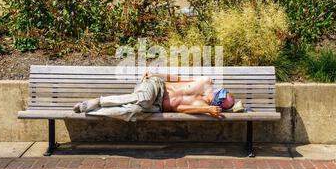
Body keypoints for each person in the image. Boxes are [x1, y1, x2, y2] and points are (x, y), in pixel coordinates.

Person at [73, 71, 235, 118]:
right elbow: (177, 78)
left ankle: (92, 111)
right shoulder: (205, 82)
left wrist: (206, 110)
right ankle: (99, 101)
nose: (218, 97)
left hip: (156, 107)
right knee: (144, 98)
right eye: (222, 93)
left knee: (133, 112)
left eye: (220, 102)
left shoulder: (202, 106)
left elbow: (179, 108)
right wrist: (155, 74)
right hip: (156, 87)